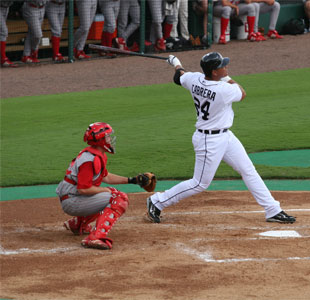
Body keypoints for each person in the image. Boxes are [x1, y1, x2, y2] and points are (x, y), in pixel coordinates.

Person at [145, 52, 296, 224]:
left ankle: (272, 210)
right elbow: (242, 92)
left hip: (225, 136)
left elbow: (179, 78)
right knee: (199, 183)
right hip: (209, 141)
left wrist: (176, 64)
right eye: (222, 66)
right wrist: (226, 77)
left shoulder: (194, 79)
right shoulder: (223, 90)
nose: (226, 67)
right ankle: (157, 201)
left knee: (248, 169)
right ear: (214, 72)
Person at [56, 122, 150, 250]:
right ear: (100, 140)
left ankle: (77, 225)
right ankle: (95, 237)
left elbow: (106, 177)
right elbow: (83, 188)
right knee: (117, 198)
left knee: (110, 194)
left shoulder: (96, 155)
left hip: (73, 197)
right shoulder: (89, 160)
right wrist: (105, 190)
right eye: (107, 137)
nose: (110, 139)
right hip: (72, 200)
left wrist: (132, 180)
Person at [0, 0, 17, 67]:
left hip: (6, 7)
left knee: (2, 32)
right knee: (3, 31)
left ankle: (3, 58)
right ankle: (3, 59)